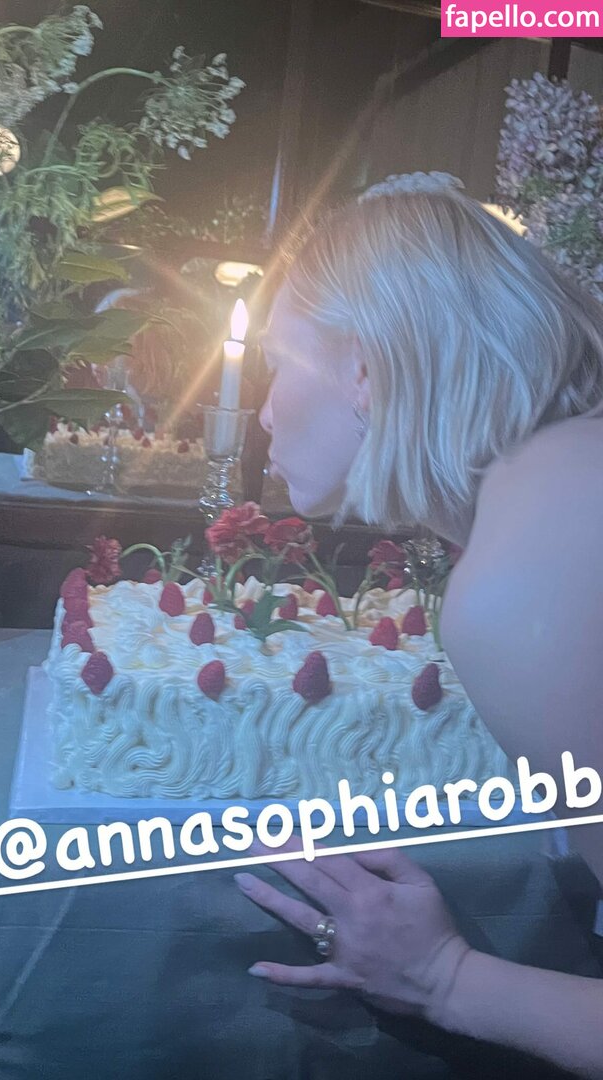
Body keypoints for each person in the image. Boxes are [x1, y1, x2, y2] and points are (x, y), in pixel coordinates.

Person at [233, 172, 603, 1077]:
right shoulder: (560, 481)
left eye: (280, 360)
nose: (265, 410)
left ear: (366, 369)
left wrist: (446, 978)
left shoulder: (522, 587)